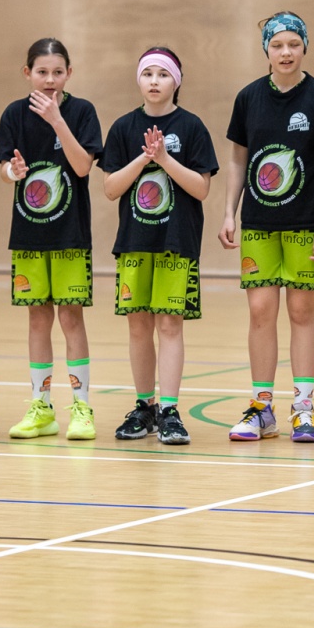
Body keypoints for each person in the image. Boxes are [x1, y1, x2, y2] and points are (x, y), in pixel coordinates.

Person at [220, 12, 314, 444]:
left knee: (302, 312)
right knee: (260, 312)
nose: (286, 52)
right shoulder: (249, 98)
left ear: (305, 46)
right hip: (259, 225)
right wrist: (230, 212)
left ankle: (303, 408)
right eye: (277, 45)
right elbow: (238, 160)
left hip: (306, 225)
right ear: (266, 50)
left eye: (293, 44)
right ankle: (261, 407)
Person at [102, 47, 218, 446]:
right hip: (135, 242)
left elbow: (201, 188)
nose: (154, 81)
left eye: (163, 74)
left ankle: (169, 410)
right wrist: (143, 160)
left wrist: (166, 159)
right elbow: (110, 188)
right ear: (139, 79)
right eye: (148, 73)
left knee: (169, 324)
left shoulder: (192, 126)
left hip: (176, 242)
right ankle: (145, 407)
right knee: (138, 324)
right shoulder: (123, 127)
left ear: (176, 81)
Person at [0, 38, 104, 442]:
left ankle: (82, 407)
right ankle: (41, 408)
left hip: (70, 234)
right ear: (28, 74)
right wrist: (13, 172)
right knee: (37, 318)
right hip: (29, 234)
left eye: (58, 72)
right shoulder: (13, 114)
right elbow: (4, 169)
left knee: (71, 318)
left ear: (69, 74)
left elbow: (82, 166)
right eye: (42, 72)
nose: (50, 79)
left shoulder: (81, 112)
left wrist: (58, 121)